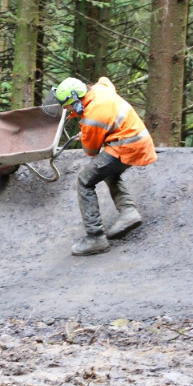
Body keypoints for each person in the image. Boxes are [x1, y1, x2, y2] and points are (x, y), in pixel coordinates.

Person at [52, 76, 157, 256]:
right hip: (138, 139)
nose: (65, 108)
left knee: (85, 180)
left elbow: (91, 151)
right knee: (107, 171)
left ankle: (95, 238)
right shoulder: (100, 89)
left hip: (128, 146)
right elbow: (105, 80)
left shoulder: (91, 118)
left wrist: (85, 134)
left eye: (66, 105)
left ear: (76, 102)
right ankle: (128, 211)